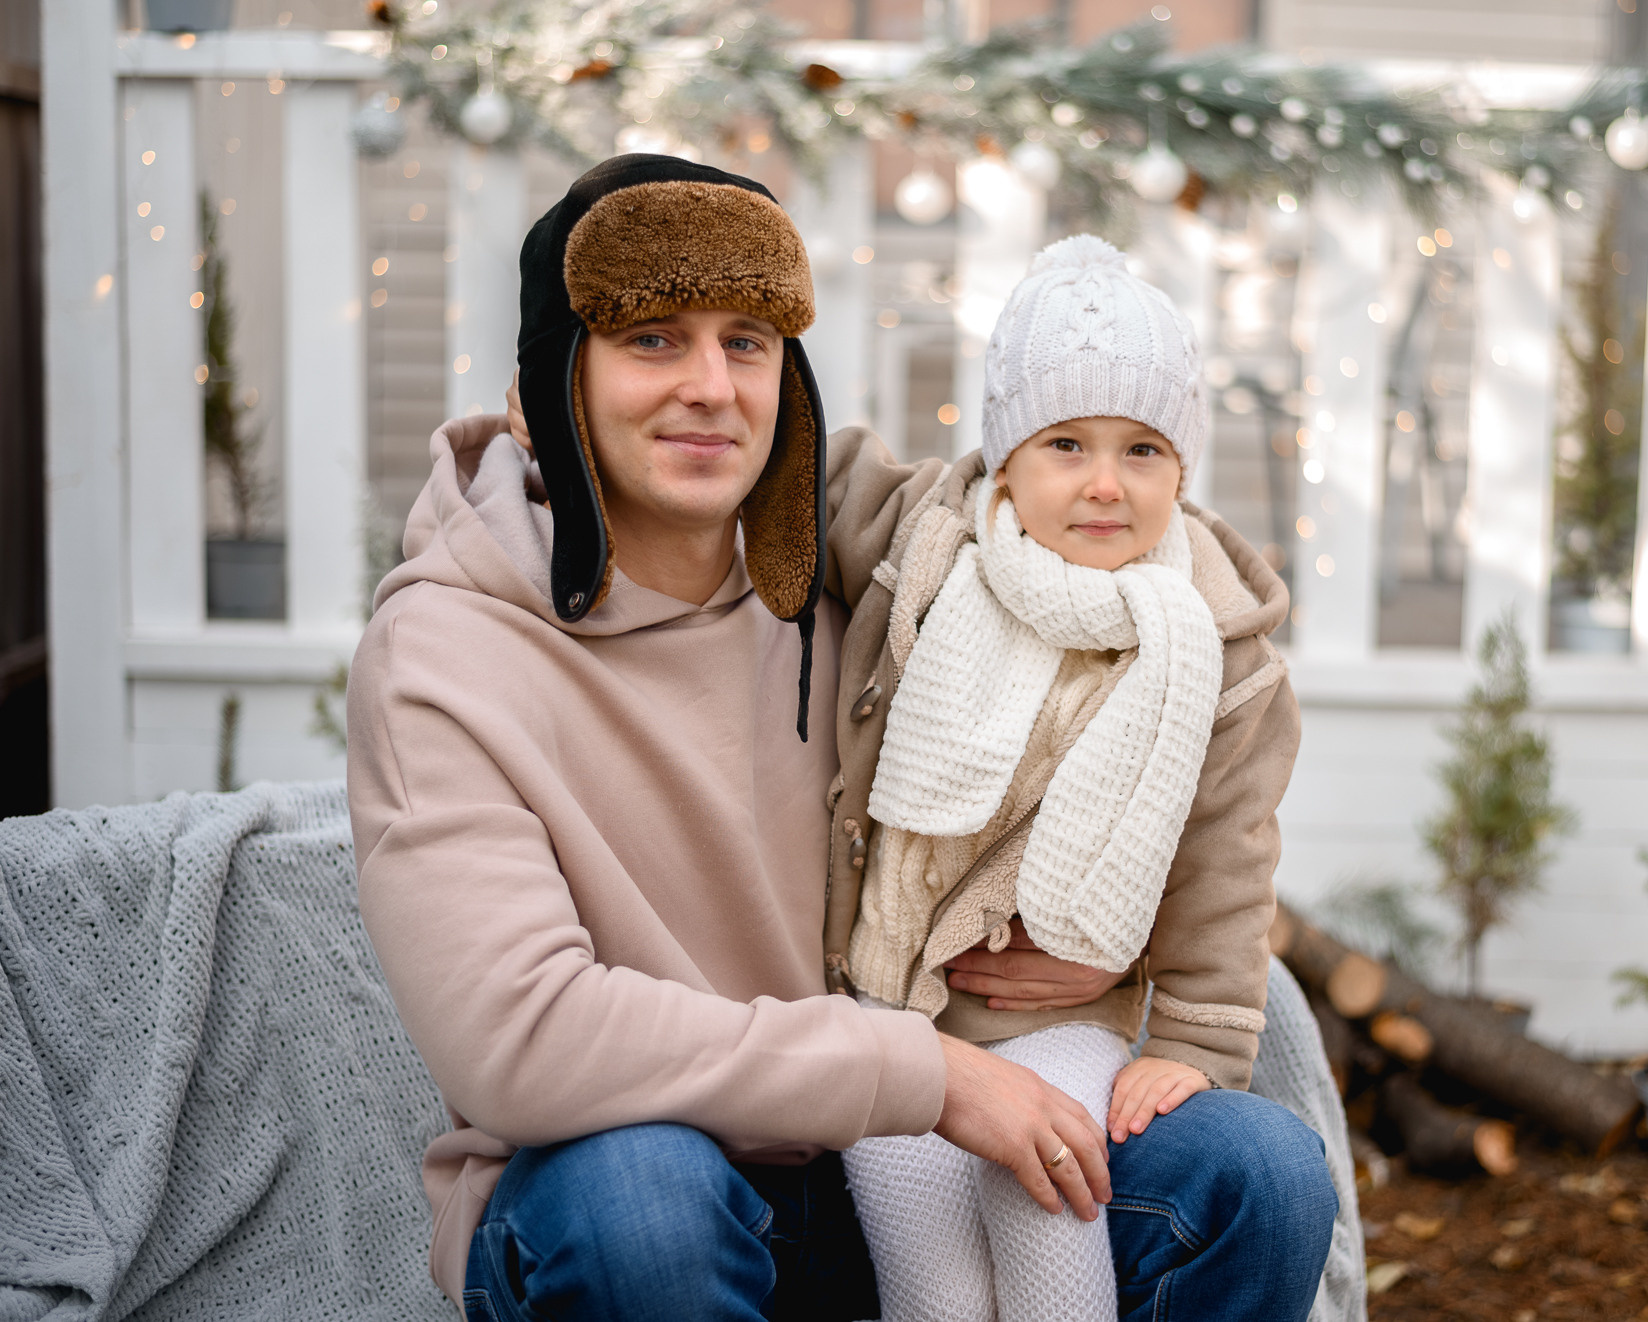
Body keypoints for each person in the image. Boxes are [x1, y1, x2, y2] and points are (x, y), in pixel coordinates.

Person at [347, 153, 1333, 1322]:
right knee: (640, 1200)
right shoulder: (447, 652)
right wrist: (923, 1076)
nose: (711, 385)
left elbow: (1123, 572)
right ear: (540, 387)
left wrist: (1099, 936)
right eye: (652, 337)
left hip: (919, 1157)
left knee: (1259, 1173)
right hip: (677, 1184)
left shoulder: (888, 577)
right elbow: (521, 1037)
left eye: (748, 341)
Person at [825, 235, 1320, 1321]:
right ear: (1005, 459)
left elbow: (1227, 855)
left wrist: (1193, 1036)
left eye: (1143, 449)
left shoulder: (1211, 646)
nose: (1105, 482)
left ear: (1183, 470)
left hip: (1057, 1019)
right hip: (890, 1005)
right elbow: (799, 454)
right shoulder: (933, 547)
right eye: (1065, 443)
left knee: (1045, 1190)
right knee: (922, 1248)